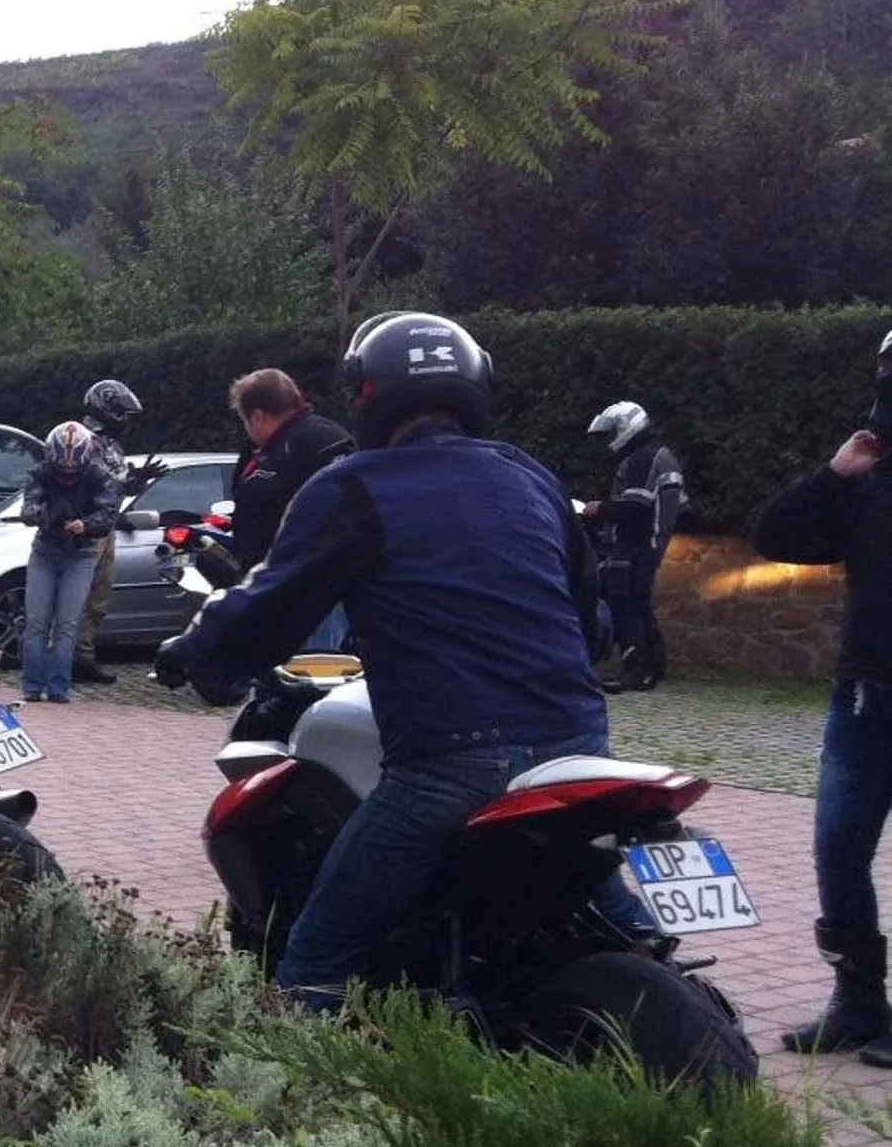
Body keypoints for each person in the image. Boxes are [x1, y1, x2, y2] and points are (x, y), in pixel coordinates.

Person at [154, 310, 657, 1008]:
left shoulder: (354, 486)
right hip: (576, 744)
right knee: (601, 892)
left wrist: (199, 650)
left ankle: (300, 1083)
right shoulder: (530, 474)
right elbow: (587, 613)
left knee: (316, 955)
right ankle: (654, 962)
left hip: (451, 761)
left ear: (366, 393)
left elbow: (270, 604)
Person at [755, 331, 892, 1059]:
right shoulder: (869, 481)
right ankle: (859, 1001)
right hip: (865, 698)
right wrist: (836, 474)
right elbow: (776, 533)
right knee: (837, 848)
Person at [227, 367, 356, 650]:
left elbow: (339, 517)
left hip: (310, 591)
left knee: (311, 671)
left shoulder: (323, 442)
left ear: (257, 415)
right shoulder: (264, 448)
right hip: (271, 584)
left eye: (244, 418)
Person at [583, 400, 685, 693]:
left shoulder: (643, 458)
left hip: (637, 543)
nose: (609, 439)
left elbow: (635, 508)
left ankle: (638, 671)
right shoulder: (660, 455)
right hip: (651, 540)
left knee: (625, 604)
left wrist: (599, 508)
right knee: (638, 604)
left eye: (611, 431)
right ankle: (653, 665)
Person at [18, 420, 118, 704]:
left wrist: (84, 525)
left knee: (67, 623)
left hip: (81, 553)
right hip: (45, 550)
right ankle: (32, 686)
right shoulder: (39, 473)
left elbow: (107, 515)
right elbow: (29, 503)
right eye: (62, 471)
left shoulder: (100, 475)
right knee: (36, 621)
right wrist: (39, 514)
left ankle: (59, 688)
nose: (67, 476)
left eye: (74, 472)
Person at [72, 379, 151, 685]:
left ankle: (84, 658)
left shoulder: (113, 447)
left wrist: (137, 481)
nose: (126, 423)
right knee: (76, 597)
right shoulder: (82, 441)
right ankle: (63, 658)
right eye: (123, 414)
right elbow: (90, 481)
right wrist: (121, 482)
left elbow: (117, 486)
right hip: (85, 528)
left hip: (108, 527)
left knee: (99, 598)